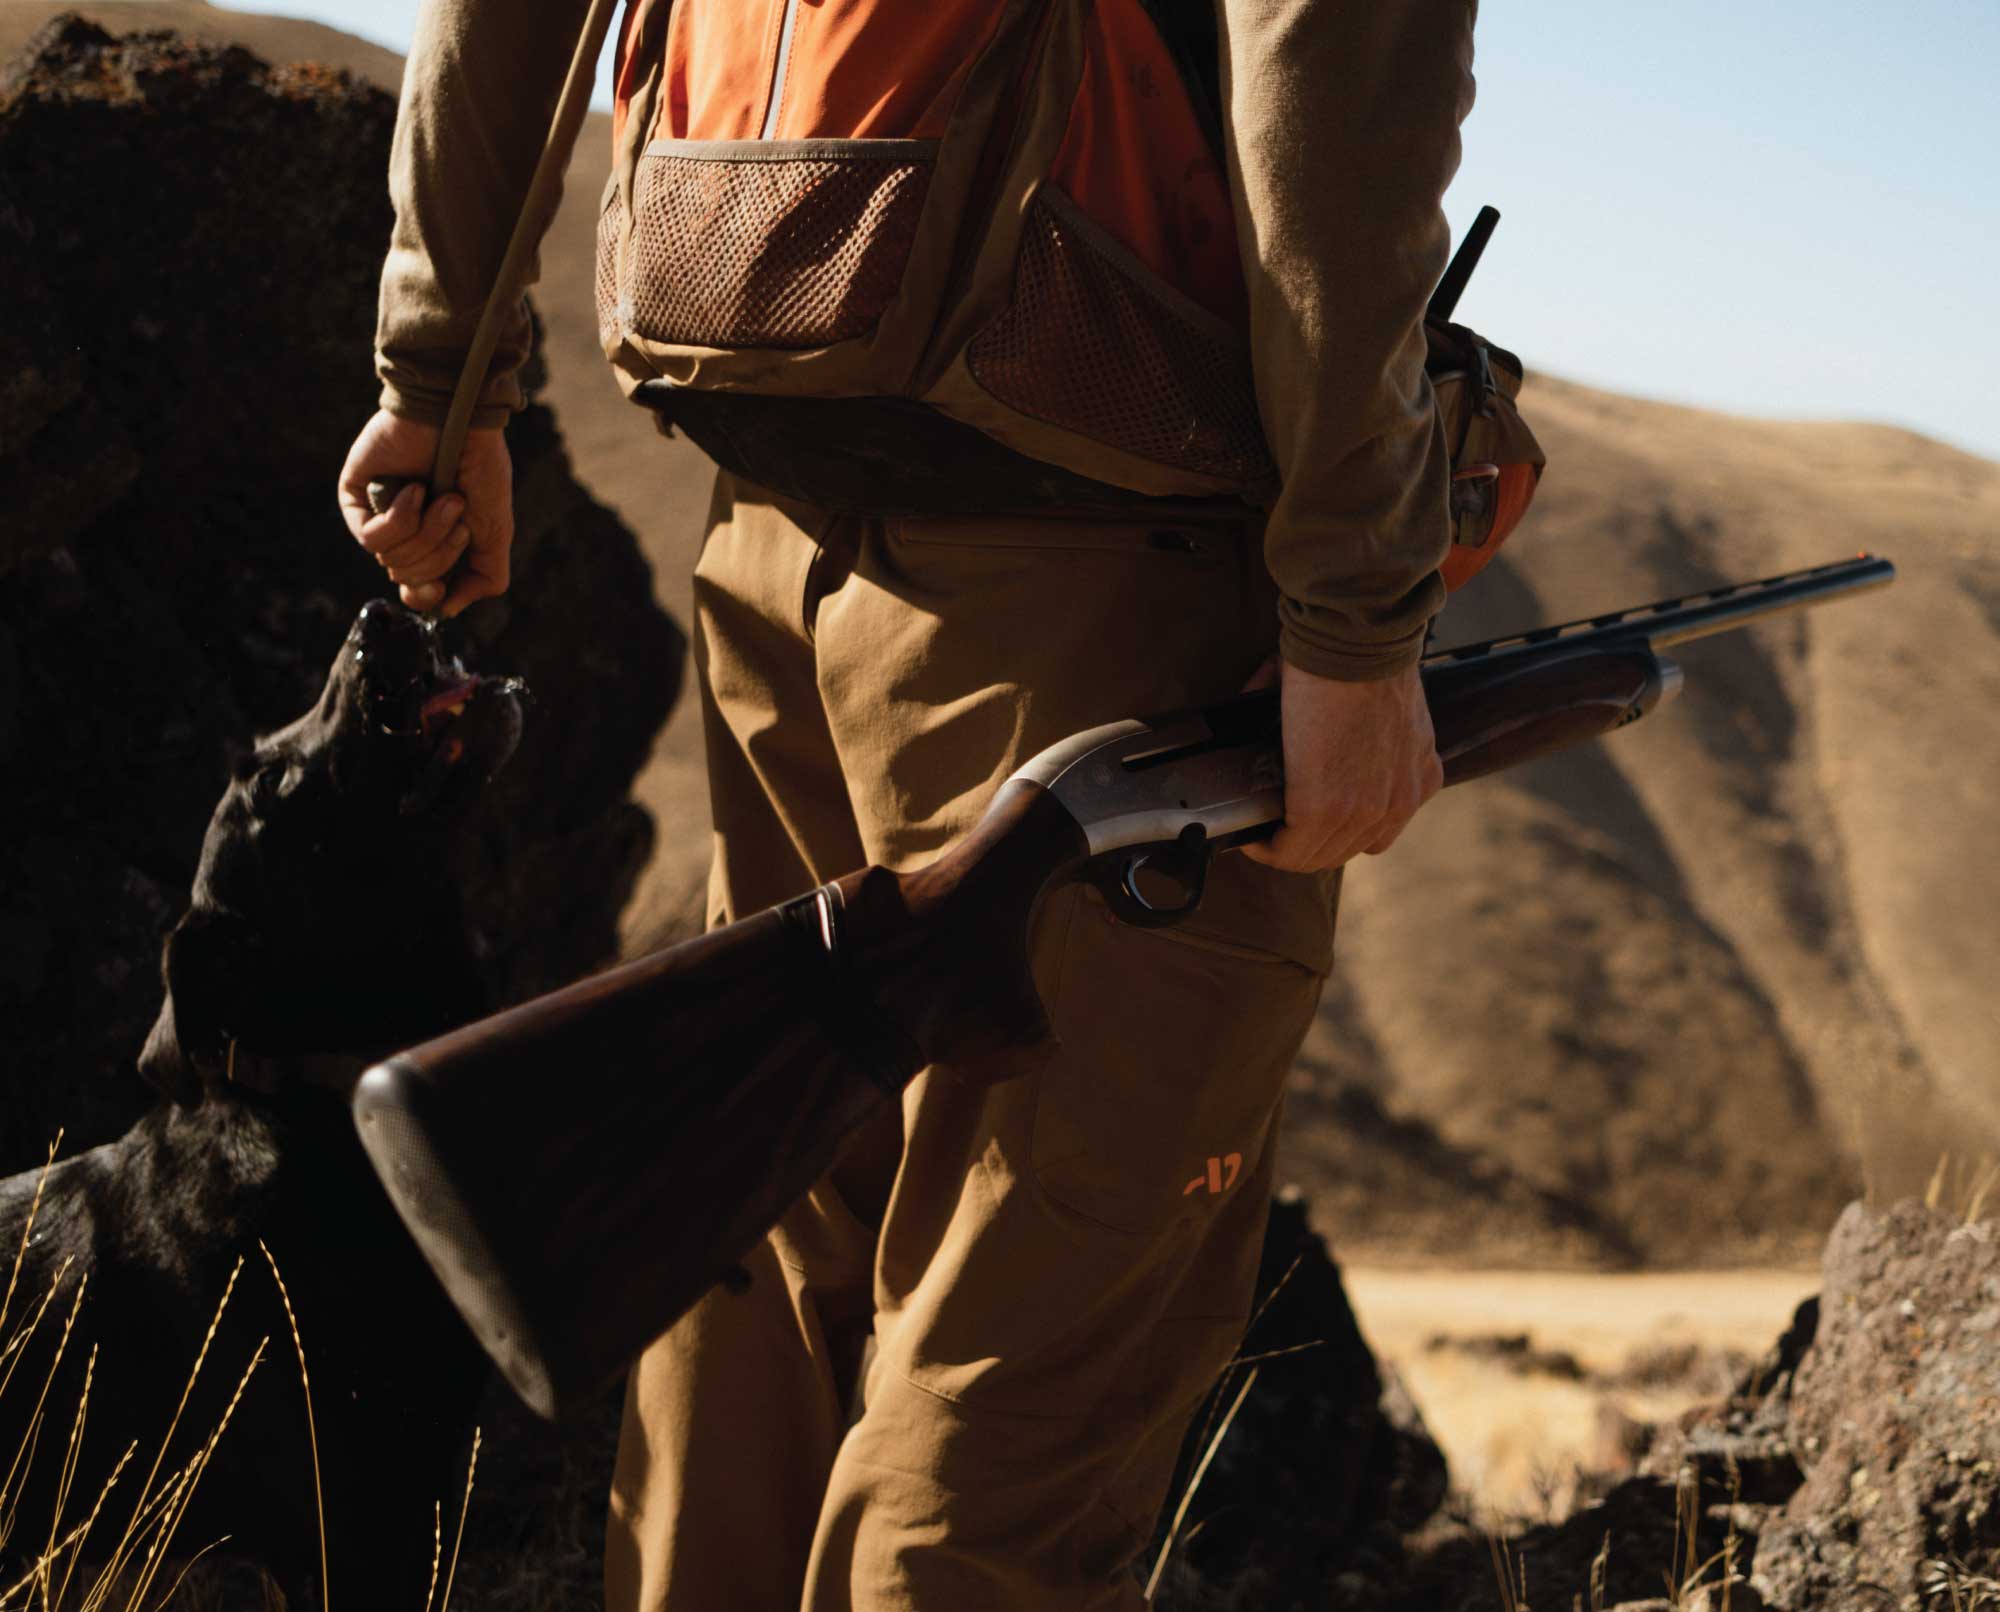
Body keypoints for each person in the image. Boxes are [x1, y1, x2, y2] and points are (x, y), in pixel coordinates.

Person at [339, 2, 1473, 1605]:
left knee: (764, 1238)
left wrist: (442, 371)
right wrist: (1359, 614)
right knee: (1025, 1342)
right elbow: (1331, 59)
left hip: (773, 484)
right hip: (1099, 565)